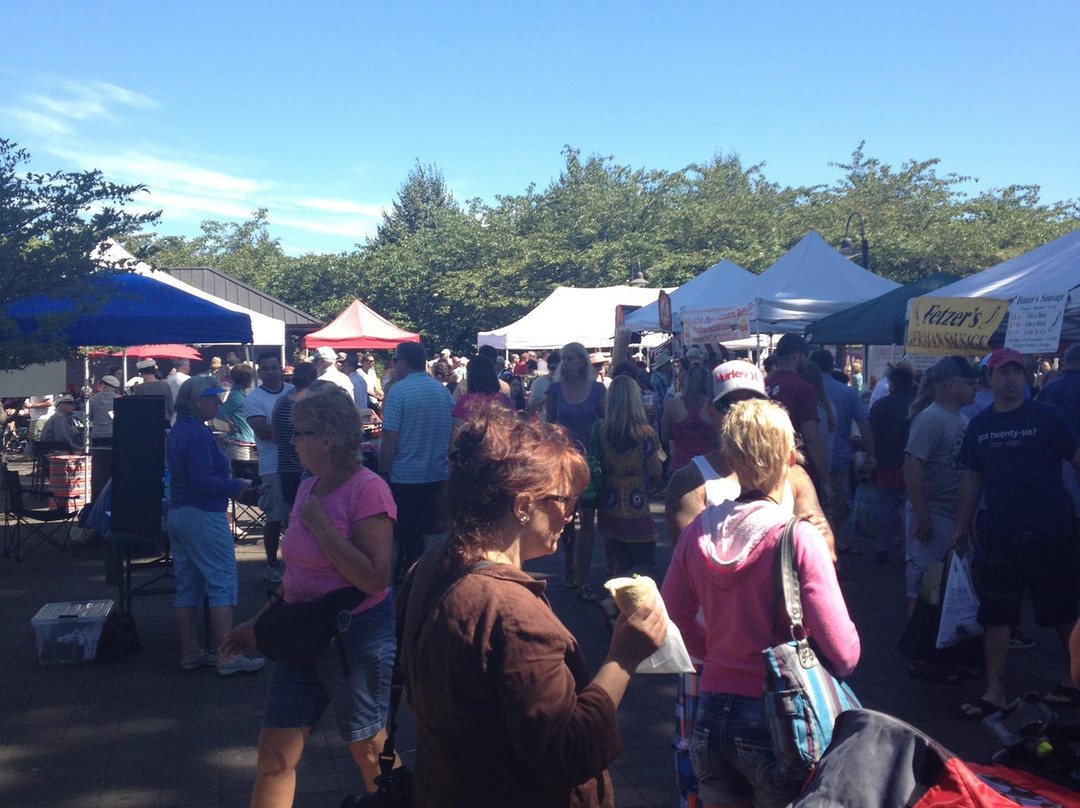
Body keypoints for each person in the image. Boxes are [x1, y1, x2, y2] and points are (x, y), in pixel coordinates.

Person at [398, 403, 667, 808]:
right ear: (524, 506)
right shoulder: (510, 612)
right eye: (564, 501)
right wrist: (623, 658)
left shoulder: (435, 561)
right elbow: (569, 752)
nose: (571, 516)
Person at [662, 398, 860, 808]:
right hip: (780, 718)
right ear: (790, 456)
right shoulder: (798, 538)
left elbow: (674, 616)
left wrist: (713, 652)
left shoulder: (695, 533)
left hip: (712, 712)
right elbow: (843, 652)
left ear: (730, 458)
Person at [221, 386, 398, 804]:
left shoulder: (368, 490)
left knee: (369, 752)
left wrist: (321, 527)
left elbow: (376, 578)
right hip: (301, 631)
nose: (291, 440)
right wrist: (258, 622)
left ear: (328, 438)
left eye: (299, 433)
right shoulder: (307, 487)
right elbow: (296, 574)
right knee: (274, 756)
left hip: (354, 634)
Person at [953, 347, 1080, 719]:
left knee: (1063, 611)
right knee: (996, 613)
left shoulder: (1046, 416)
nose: (1010, 378)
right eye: (1002, 372)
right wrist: (960, 527)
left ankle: (1075, 682)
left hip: (1051, 529)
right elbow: (973, 479)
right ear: (988, 380)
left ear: (1025, 378)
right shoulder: (980, 425)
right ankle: (994, 691)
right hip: (1000, 532)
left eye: (1016, 372)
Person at [167, 375, 264, 677]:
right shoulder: (197, 434)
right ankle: (228, 656)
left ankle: (191, 651)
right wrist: (236, 484)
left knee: (187, 585)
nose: (218, 402)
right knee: (222, 581)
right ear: (196, 401)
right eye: (211, 397)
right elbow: (203, 481)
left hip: (179, 512)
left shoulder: (179, 429)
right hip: (203, 513)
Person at [903, 357, 977, 615]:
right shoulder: (931, 418)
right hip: (933, 514)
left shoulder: (959, 419)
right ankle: (917, 647)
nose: (975, 387)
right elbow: (912, 466)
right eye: (969, 382)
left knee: (944, 586)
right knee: (926, 586)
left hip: (950, 516)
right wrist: (923, 515)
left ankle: (934, 646)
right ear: (948, 385)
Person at [378, 341, 455, 580]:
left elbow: (390, 436)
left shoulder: (398, 392)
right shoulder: (441, 391)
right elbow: (451, 431)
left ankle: (390, 590)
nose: (393, 365)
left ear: (404, 362)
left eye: (395, 360)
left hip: (405, 476)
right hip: (436, 475)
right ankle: (428, 585)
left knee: (398, 535)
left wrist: (381, 470)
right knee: (431, 536)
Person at [546, 341, 607, 599]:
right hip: (563, 462)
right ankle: (569, 560)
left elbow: (604, 426)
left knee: (589, 519)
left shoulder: (598, 390)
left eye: (571, 359)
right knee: (565, 518)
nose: (566, 363)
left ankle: (583, 576)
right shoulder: (554, 390)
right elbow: (549, 425)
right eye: (563, 359)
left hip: (591, 462)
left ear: (582, 361)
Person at [597, 375, 664, 580]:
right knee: (646, 565)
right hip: (636, 507)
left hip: (610, 505)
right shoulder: (645, 432)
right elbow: (656, 471)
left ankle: (615, 605)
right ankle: (619, 606)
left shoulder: (602, 430)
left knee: (621, 563)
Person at [809, 349, 876, 555]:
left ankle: (816, 544)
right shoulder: (847, 392)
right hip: (839, 458)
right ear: (832, 366)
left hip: (809, 459)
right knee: (838, 503)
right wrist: (870, 455)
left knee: (812, 502)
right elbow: (864, 424)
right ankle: (834, 540)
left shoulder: (805, 389)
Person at [764, 334, 832, 507]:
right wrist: (825, 479)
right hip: (796, 472)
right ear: (797, 355)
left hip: (763, 469)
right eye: (805, 356)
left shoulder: (762, 385)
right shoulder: (803, 388)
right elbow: (812, 437)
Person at [244, 352, 295, 583]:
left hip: (298, 463)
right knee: (274, 517)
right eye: (266, 369)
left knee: (299, 517)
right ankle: (271, 563)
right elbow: (263, 433)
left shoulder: (292, 391)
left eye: (274, 368)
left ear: (281, 368)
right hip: (272, 465)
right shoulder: (253, 399)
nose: (271, 372)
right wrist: (291, 424)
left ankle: (298, 563)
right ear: (260, 371)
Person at [868, 363, 918, 563]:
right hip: (909, 463)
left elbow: (872, 433)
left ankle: (883, 546)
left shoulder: (879, 405)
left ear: (892, 384)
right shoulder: (916, 406)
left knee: (885, 508)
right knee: (909, 509)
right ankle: (909, 549)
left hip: (884, 462)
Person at [271, 362, 319, 512]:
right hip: (310, 467)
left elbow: (275, 437)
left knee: (291, 515)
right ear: (313, 379)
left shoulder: (280, 402)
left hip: (285, 467)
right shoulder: (313, 404)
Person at [661, 364, 717, 475]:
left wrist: (665, 461)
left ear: (687, 380)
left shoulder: (672, 405)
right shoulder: (712, 408)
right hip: (707, 467)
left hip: (679, 466)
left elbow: (663, 439)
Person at [452, 355, 512, 432]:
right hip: (501, 442)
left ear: (471, 376)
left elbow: (458, 434)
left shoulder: (466, 402)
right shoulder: (505, 400)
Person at [219, 363, 256, 461]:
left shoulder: (238, 394)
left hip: (243, 441)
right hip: (240, 443)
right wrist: (231, 424)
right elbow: (220, 412)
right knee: (242, 472)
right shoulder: (237, 397)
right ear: (247, 379)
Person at [527, 350, 559, 421]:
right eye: (553, 368)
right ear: (548, 367)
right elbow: (531, 408)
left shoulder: (567, 382)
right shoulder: (538, 383)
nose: (556, 371)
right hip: (546, 426)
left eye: (559, 369)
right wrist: (546, 399)